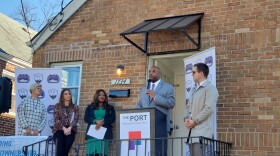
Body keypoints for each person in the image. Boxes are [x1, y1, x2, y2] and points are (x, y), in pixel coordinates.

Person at [184, 63, 219, 156]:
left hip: (201, 132)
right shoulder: (193, 90)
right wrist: (186, 118)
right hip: (190, 132)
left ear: (201, 73)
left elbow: (209, 108)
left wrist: (195, 121)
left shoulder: (210, 89)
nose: (192, 74)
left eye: (194, 72)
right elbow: (188, 107)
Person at [136, 66, 175, 133]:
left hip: (161, 126)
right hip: (144, 126)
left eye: (153, 71)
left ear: (159, 74)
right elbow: (139, 104)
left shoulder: (168, 87)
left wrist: (155, 97)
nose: (151, 73)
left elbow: (171, 103)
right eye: (149, 71)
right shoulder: (144, 89)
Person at [84, 89, 116, 156]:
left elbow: (113, 118)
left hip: (104, 132)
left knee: (102, 153)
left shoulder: (110, 107)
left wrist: (103, 122)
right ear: (96, 96)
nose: (102, 96)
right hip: (92, 132)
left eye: (104, 95)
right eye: (100, 95)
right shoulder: (90, 107)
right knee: (91, 153)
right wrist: (95, 121)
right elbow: (86, 118)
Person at [52, 89, 79, 156]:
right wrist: (64, 129)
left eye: (69, 93)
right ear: (62, 96)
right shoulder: (57, 106)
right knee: (59, 151)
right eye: (65, 94)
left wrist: (69, 128)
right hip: (59, 129)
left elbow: (75, 119)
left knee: (65, 151)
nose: (68, 95)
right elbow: (56, 119)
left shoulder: (75, 107)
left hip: (71, 130)